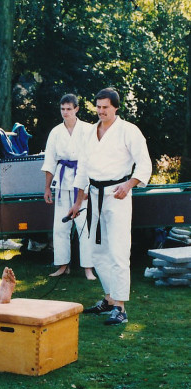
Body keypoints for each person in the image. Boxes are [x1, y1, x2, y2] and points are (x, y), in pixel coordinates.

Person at [68, 88, 151, 325]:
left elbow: (144, 163)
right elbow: (82, 168)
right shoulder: (90, 132)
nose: (101, 111)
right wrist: (77, 201)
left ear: (116, 107)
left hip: (117, 195)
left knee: (118, 250)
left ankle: (121, 307)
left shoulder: (129, 131)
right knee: (98, 251)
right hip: (94, 195)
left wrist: (129, 185)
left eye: (105, 107)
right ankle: (108, 299)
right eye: (98, 106)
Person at [41, 94, 95, 280]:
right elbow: (50, 162)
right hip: (63, 182)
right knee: (60, 227)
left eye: (69, 109)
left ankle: (88, 267)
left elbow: (94, 159)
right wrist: (47, 188)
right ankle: (63, 266)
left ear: (77, 109)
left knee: (85, 226)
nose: (65, 112)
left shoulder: (88, 130)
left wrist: (90, 186)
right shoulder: (55, 132)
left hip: (83, 181)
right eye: (62, 109)